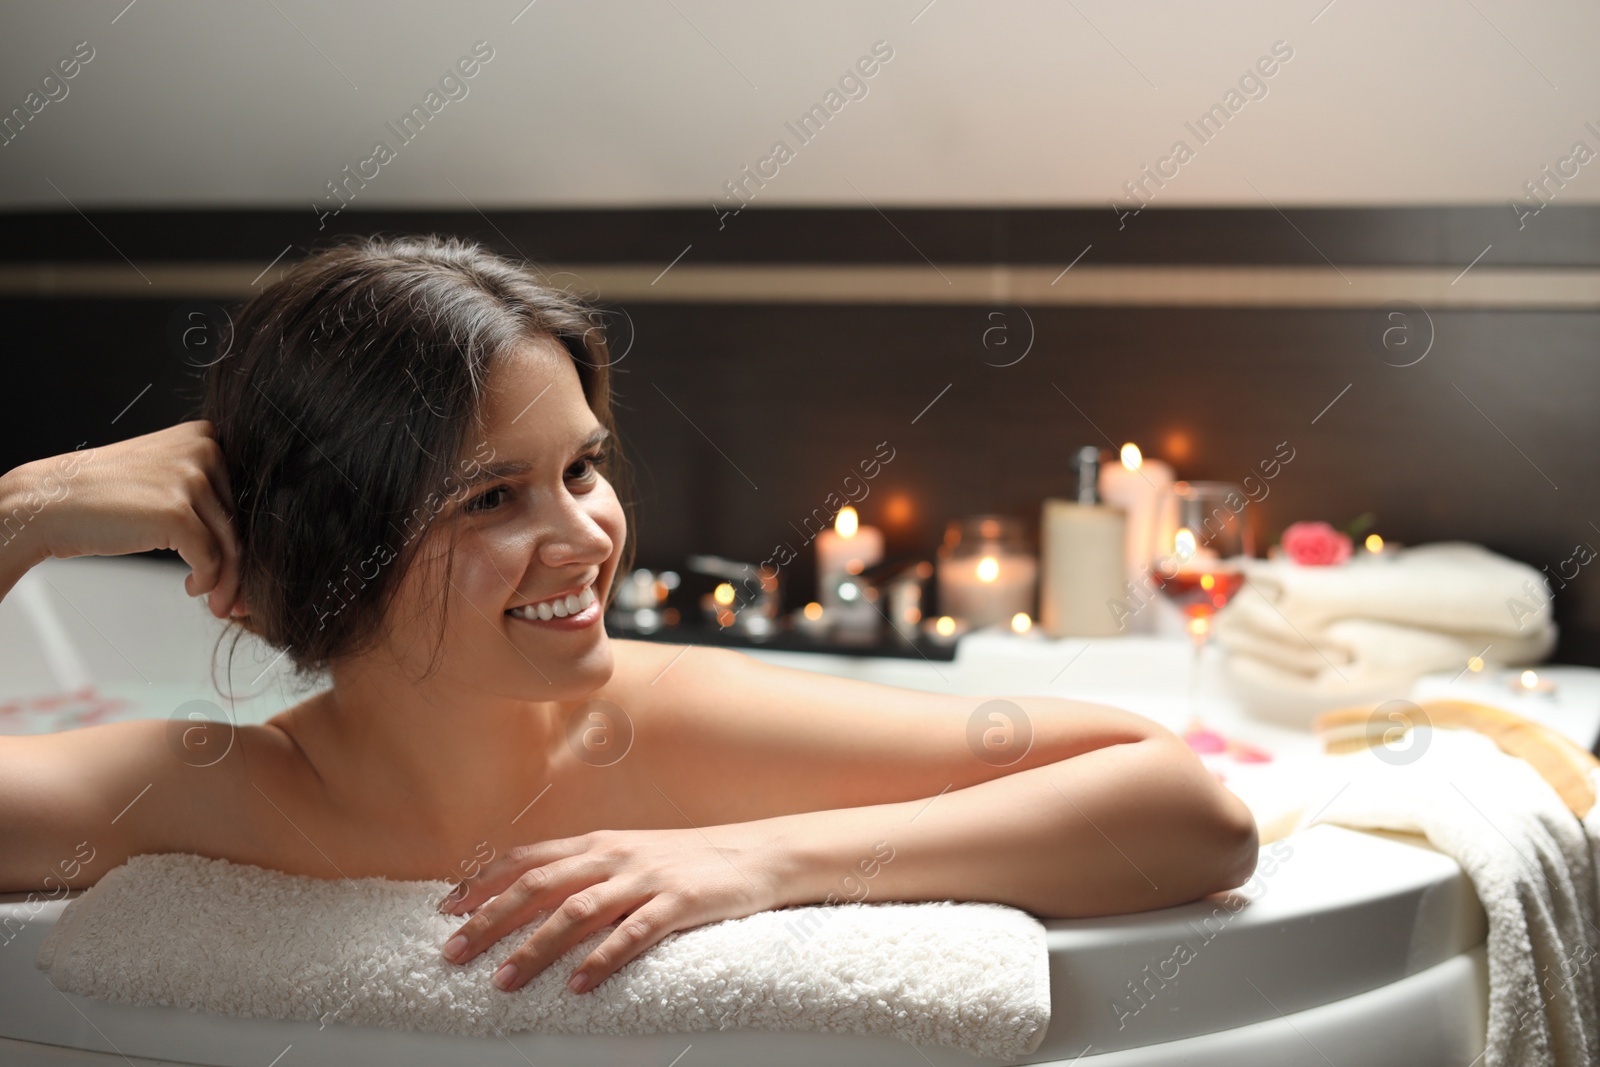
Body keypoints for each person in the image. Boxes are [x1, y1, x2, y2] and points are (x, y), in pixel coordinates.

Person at [0, 235, 1257, 997]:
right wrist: (28, 507)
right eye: (493, 495)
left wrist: (761, 859)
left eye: (582, 468)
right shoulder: (223, 786)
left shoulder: (655, 722)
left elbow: (1187, 809)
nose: (588, 534)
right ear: (339, 547)